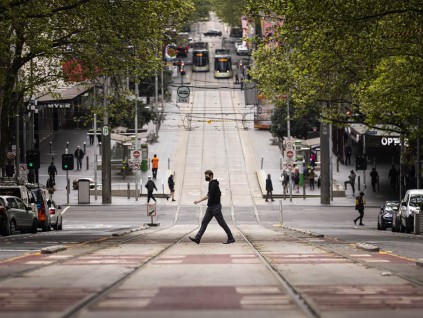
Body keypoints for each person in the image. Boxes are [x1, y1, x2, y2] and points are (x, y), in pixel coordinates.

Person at [189, 170, 235, 245]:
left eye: (207, 176)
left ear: (211, 176)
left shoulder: (213, 184)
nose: (206, 177)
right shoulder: (211, 184)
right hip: (210, 208)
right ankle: (197, 238)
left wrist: (198, 201)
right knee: (204, 222)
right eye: (205, 176)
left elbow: (208, 195)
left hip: (215, 208)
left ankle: (231, 238)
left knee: (222, 223)